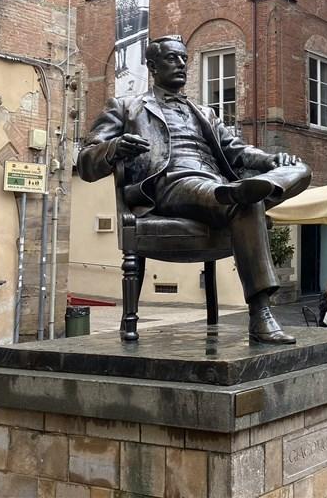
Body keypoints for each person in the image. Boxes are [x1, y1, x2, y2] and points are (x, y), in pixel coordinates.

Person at [78, 35, 311, 344]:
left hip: (215, 185)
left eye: (184, 59)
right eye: (172, 58)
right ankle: (261, 315)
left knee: (296, 171)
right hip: (168, 185)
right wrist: (115, 146)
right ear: (152, 66)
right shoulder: (127, 107)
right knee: (238, 198)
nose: (181, 64)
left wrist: (272, 160)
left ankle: (254, 191)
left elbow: (238, 151)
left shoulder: (206, 113)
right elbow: (85, 161)